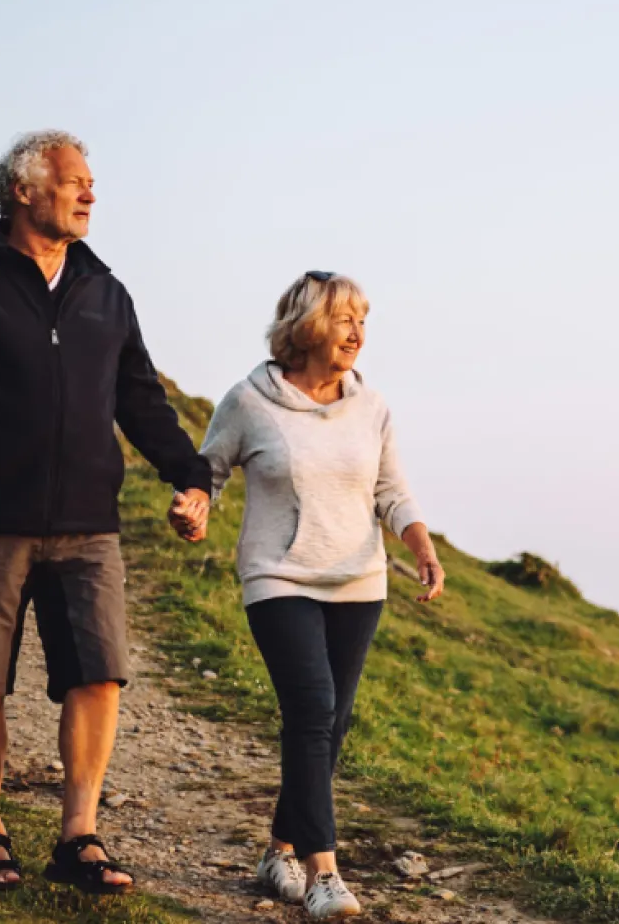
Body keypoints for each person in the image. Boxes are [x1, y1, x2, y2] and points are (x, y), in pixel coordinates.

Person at [0, 130, 212, 894]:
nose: (89, 193)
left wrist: (189, 475)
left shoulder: (106, 290)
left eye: (90, 182)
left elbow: (140, 398)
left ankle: (79, 837)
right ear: (25, 191)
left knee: (98, 677)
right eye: (74, 181)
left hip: (89, 524)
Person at [190, 271, 443, 920]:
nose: (357, 333)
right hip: (279, 577)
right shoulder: (251, 400)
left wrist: (420, 545)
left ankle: (279, 849)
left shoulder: (372, 406)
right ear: (305, 328)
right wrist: (193, 506)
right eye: (343, 320)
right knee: (312, 709)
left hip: (359, 580)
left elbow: (391, 490)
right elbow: (208, 469)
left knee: (330, 725)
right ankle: (323, 873)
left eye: (363, 321)